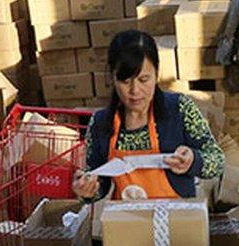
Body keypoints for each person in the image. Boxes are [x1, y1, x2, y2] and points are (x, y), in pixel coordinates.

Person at [73, 30, 225, 202]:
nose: (135, 91)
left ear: (156, 74)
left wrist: (193, 161)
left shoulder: (179, 109)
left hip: (177, 219)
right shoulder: (100, 122)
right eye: (125, 81)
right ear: (113, 78)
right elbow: (99, 181)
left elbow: (217, 161)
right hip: (127, 221)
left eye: (144, 79)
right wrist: (88, 189)